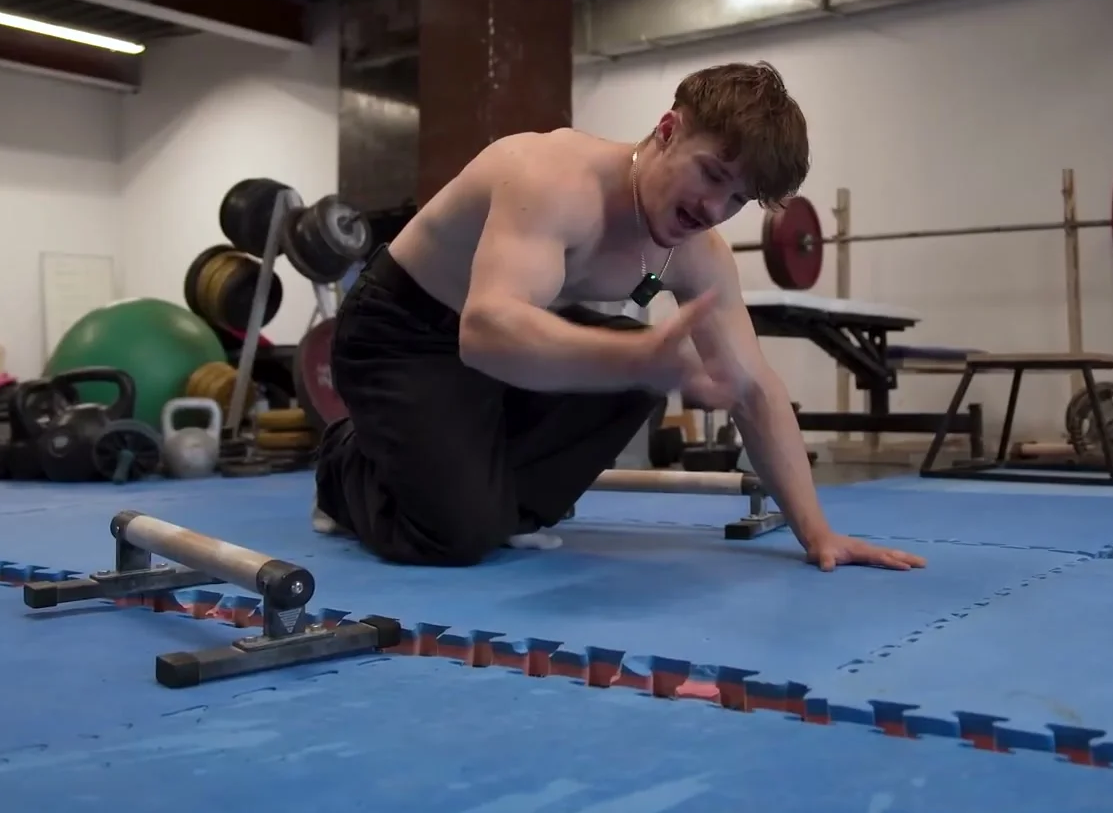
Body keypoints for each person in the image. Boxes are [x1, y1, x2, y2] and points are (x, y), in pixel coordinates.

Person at [312, 61, 926, 573]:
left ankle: (489, 496)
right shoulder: (550, 177)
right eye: (711, 173)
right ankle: (345, 462)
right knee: (455, 537)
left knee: (641, 368)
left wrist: (818, 533)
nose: (713, 207)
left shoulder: (699, 252)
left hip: (498, 352)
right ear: (667, 130)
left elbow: (753, 387)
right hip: (402, 334)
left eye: (737, 198)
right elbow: (486, 332)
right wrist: (634, 358)